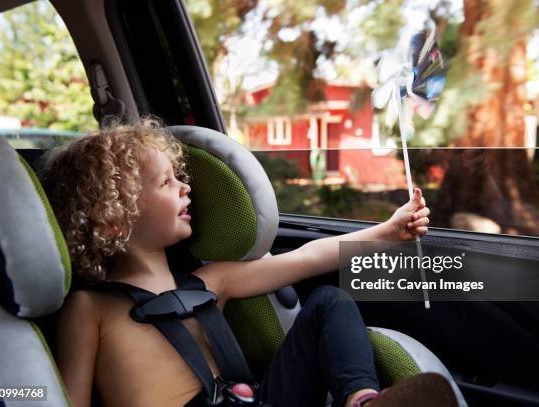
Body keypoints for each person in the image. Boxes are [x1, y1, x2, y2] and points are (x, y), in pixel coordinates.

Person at [39, 119, 455, 407]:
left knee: (329, 301)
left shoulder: (211, 282)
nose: (186, 188)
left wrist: (386, 230)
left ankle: (362, 399)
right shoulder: (89, 309)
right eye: (167, 181)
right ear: (115, 212)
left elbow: (307, 257)